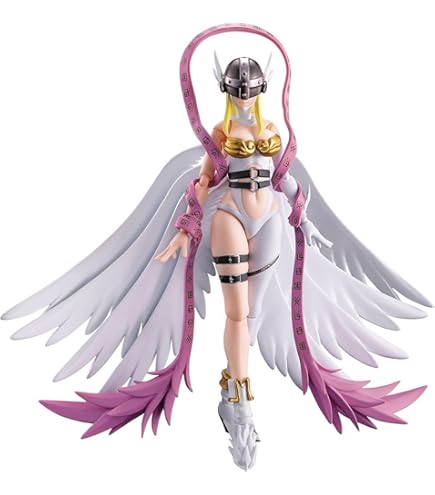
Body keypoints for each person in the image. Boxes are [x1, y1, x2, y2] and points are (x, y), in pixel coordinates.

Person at [1, 24, 432, 472]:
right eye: (237, 90)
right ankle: (241, 402)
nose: (244, 97)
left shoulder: (272, 130)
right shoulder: (219, 132)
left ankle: (230, 381)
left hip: (269, 219)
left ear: (263, 89)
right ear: (226, 90)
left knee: (255, 313)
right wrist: (185, 228)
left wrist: (307, 221)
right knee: (237, 313)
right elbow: (203, 182)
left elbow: (284, 179)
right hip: (229, 215)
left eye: (251, 90)